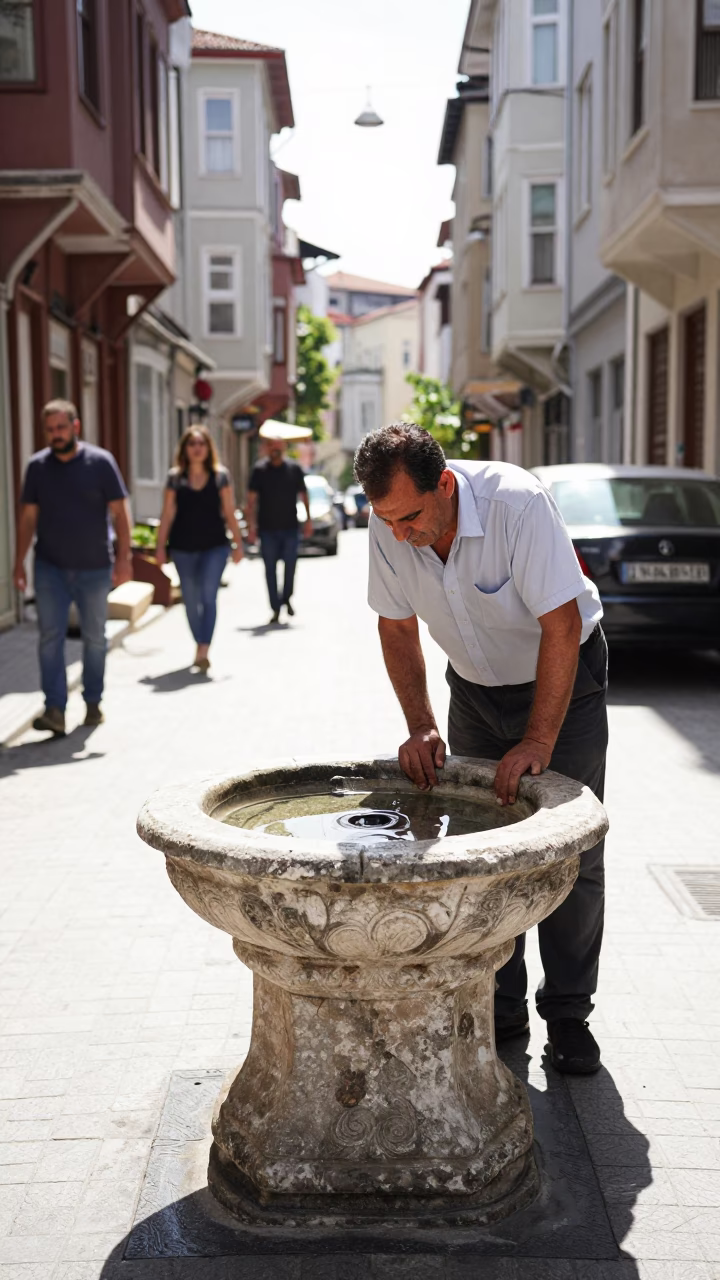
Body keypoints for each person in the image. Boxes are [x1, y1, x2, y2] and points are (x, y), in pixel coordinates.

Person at [354, 423, 608, 1076]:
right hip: (473, 689)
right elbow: (395, 626)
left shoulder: (516, 504)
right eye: (387, 521)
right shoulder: (390, 524)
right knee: (481, 849)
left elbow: (562, 624)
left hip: (564, 681)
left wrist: (538, 740)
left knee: (571, 851)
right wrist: (421, 725)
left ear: (444, 485)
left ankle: (569, 1015)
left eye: (410, 518)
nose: (399, 534)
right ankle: (499, 1007)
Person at [12, 399, 133, 735]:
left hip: (94, 568)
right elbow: (28, 518)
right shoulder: (37, 467)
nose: (56, 434)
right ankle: (55, 709)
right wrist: (18, 562)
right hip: (50, 567)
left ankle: (93, 701)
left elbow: (119, 512)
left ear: (75, 427)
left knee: (94, 638)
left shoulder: (100, 462)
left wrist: (124, 558)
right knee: (50, 637)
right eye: (50, 429)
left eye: (61, 428)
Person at [155, 426, 244, 671]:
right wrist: (160, 547)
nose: (197, 448)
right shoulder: (175, 478)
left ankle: (203, 648)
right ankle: (200, 642)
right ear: (185, 449)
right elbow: (167, 514)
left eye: (201, 444)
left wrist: (238, 544)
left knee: (208, 594)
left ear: (208, 448)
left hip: (214, 547)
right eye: (192, 444)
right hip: (183, 547)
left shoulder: (220, 476)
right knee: (191, 598)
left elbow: (229, 511)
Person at [246, 436, 312, 624]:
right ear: (267, 448)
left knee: (290, 566)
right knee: (270, 569)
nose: (274, 449)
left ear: (284, 447)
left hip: (290, 528)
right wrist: (251, 527)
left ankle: (287, 598)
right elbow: (251, 501)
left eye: (278, 445)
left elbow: (304, 494)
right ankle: (275, 607)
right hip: (267, 529)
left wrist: (308, 520)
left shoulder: (294, 469)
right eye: (271, 445)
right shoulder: (259, 470)